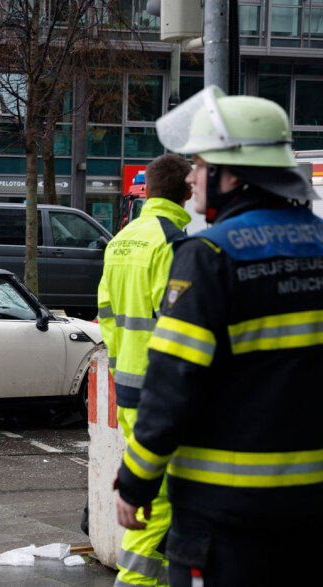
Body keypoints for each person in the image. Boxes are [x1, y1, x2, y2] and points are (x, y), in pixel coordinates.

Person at [115, 87, 323, 586]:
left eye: (201, 164)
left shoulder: (208, 255)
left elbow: (172, 384)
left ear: (235, 176)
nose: (191, 177)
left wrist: (136, 483)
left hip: (224, 513)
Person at [98, 153, 192, 587]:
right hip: (160, 393)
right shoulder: (172, 243)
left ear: (147, 190)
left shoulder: (122, 239)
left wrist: (122, 365)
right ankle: (134, 582)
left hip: (128, 385)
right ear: (187, 193)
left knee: (147, 489)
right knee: (163, 499)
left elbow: (105, 313)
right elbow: (179, 330)